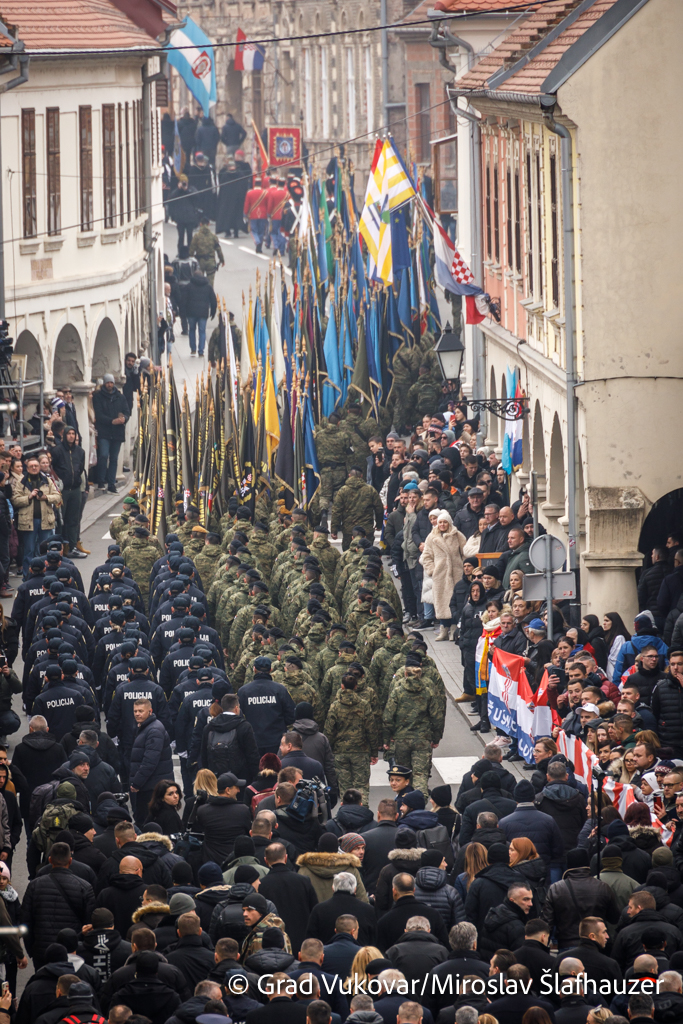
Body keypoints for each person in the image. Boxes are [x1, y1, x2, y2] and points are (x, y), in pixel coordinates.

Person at [12, 454, 62, 577]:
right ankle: (27, 576)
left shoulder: (47, 480)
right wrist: (28, 497)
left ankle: (46, 575)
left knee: (45, 550)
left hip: (45, 520)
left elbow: (57, 497)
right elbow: (15, 500)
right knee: (28, 551)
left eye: (36, 466)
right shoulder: (21, 482)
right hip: (28, 521)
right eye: (31, 466)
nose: (34, 468)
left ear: (39, 467)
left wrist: (45, 497)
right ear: (27, 468)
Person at [128, 699, 174, 827]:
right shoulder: (144, 727)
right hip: (150, 784)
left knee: (147, 822)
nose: (137, 714)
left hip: (151, 786)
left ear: (150, 711)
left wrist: (137, 783)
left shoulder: (154, 730)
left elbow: (150, 761)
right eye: (135, 711)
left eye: (141, 711)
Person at [50, 427, 86, 558]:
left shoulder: (80, 452)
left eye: (73, 434)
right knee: (60, 519)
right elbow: (52, 467)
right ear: (64, 435)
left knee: (73, 519)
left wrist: (76, 479)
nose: (71, 436)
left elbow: (81, 468)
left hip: (75, 489)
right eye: (69, 434)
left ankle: (72, 546)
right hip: (62, 490)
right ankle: (59, 547)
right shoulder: (57, 451)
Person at [92, 376, 130, 495]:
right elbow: (98, 414)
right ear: (104, 383)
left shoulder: (120, 397)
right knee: (103, 455)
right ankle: (101, 481)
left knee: (114, 458)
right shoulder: (98, 396)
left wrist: (124, 418)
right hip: (104, 431)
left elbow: (126, 411)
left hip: (117, 432)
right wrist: (111, 421)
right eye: (107, 382)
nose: (109, 384)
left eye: (111, 382)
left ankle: (111, 483)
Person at [184, 271, 217, 358]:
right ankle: (201, 350)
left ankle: (193, 349)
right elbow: (213, 300)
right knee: (202, 331)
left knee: (192, 330)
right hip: (203, 312)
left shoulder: (189, 286)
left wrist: (183, 312)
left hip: (191, 312)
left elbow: (184, 300)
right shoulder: (208, 286)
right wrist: (213, 312)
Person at [169, 174, 201, 253]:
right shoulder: (177, 191)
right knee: (181, 237)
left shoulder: (191, 189)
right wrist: (178, 189)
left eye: (185, 182)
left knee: (190, 237)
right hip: (180, 219)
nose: (183, 184)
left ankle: (190, 253)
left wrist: (186, 189)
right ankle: (180, 252)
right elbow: (171, 198)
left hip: (190, 218)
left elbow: (196, 196)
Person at [189, 218, 224, 287]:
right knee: (210, 283)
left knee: (199, 282)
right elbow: (218, 249)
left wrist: (191, 259)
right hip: (211, 261)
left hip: (200, 261)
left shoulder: (197, 236)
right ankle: (209, 295)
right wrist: (222, 260)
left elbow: (192, 250)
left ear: (200, 224)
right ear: (209, 224)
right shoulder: (213, 236)